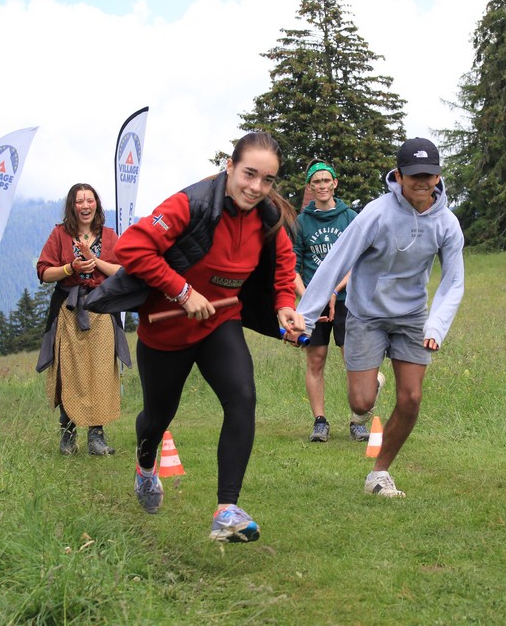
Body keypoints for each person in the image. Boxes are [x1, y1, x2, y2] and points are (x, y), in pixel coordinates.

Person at [113, 131, 304, 543]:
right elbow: (133, 248)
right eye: (249, 174)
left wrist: (284, 304)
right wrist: (181, 290)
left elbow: (283, 265)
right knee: (158, 417)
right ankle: (146, 468)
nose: (256, 187)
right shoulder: (191, 203)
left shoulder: (268, 216)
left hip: (221, 322)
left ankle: (226, 509)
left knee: (242, 396)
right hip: (166, 329)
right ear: (230, 166)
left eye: (267, 179)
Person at [294, 138, 465, 498]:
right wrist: (305, 318)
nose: (422, 182)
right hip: (366, 314)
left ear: (437, 177)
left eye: (430, 175)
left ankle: (380, 472)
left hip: (411, 317)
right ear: (399, 175)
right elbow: (336, 260)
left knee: (412, 399)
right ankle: (370, 387)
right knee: (360, 402)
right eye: (415, 175)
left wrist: (435, 326)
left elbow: (453, 280)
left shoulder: (447, 223)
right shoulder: (376, 213)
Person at [36, 183, 129, 456]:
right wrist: (70, 268)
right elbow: (43, 272)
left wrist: (95, 261)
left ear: (96, 205)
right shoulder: (60, 234)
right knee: (70, 372)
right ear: (72, 206)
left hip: (101, 310)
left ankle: (96, 437)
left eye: (90, 200)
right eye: (80, 201)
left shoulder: (109, 236)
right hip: (69, 310)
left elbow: (123, 271)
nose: (85, 206)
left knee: (100, 372)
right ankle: (68, 434)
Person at [292, 159, 381, 443]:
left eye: (325, 180)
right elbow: (292, 267)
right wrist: (311, 300)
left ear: (334, 184)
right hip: (312, 303)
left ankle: (357, 420)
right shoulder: (301, 222)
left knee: (352, 361)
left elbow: (358, 261)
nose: (321, 186)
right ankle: (320, 421)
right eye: (315, 182)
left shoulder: (351, 217)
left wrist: (332, 292)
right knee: (316, 360)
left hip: (347, 300)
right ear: (310, 187)